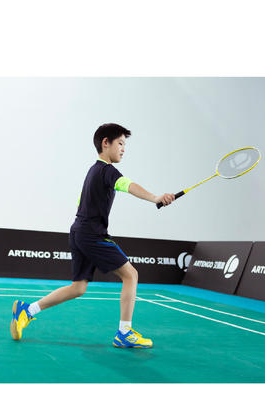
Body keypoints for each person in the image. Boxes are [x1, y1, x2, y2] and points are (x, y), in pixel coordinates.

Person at [10, 123, 175, 348]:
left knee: (78, 287)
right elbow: (128, 185)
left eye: (125, 145)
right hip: (92, 234)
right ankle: (124, 332)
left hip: (78, 230)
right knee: (131, 275)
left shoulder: (92, 171)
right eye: (120, 143)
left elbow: (81, 202)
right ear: (105, 143)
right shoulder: (107, 170)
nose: (123, 149)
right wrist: (156, 198)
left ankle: (27, 310)